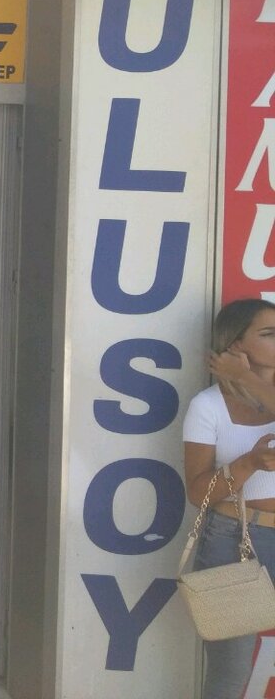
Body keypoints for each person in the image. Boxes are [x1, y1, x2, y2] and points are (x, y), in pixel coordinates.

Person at [183, 298, 275, 699]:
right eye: (269, 334)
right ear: (236, 344)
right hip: (233, 539)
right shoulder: (208, 406)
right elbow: (197, 491)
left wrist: (250, 380)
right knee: (231, 670)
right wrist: (248, 463)